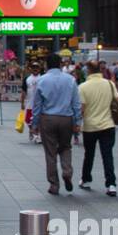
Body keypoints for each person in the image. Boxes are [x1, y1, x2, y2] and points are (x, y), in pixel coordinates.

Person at [33, 53, 82, 195]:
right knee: (66, 147)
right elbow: (76, 103)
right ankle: (67, 172)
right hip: (66, 118)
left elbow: (37, 105)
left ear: (46, 65)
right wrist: (77, 121)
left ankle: (54, 184)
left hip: (48, 118)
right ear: (60, 64)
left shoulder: (42, 80)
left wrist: (34, 124)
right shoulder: (71, 80)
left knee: (50, 152)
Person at [77, 61, 118, 197]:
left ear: (88, 71)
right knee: (107, 155)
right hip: (108, 124)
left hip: (90, 126)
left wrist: (77, 124)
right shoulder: (109, 84)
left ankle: (86, 179)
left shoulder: (83, 87)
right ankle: (111, 184)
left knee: (89, 154)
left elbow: (81, 109)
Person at [23, 61, 42, 144]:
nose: (35, 69)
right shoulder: (27, 79)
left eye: (37, 67)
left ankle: (37, 135)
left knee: (39, 121)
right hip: (30, 103)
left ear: (39, 69)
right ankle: (31, 130)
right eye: (33, 67)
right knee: (28, 120)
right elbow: (23, 91)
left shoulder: (42, 78)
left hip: (40, 104)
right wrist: (22, 103)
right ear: (31, 69)